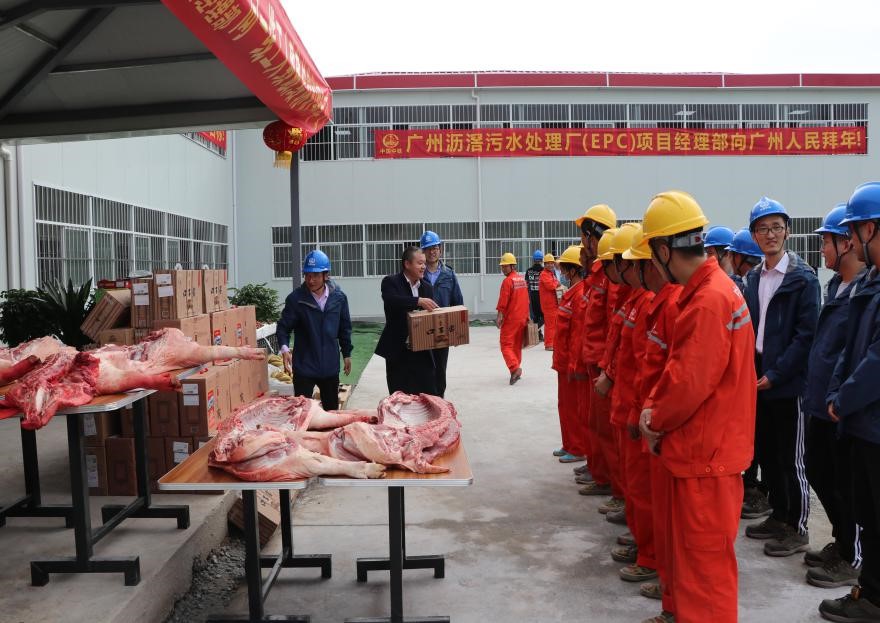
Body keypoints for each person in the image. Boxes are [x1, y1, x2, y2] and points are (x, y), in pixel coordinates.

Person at [638, 190, 756, 623]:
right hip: (705, 451)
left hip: (707, 456)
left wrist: (654, 418)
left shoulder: (707, 300)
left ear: (664, 250)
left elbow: (688, 382)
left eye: (652, 255)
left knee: (705, 580)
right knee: (694, 569)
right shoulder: (709, 290)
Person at [742, 197, 820, 558]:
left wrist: (776, 373)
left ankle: (797, 527)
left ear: (787, 231)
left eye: (776, 227)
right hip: (759, 377)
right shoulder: (753, 277)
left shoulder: (803, 278)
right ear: (754, 236)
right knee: (769, 453)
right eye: (763, 228)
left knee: (792, 458)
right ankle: (779, 514)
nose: (770, 234)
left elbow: (806, 336)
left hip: (788, 383)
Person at [819, 182, 880, 623]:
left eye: (853, 232)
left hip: (873, 423)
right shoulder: (869, 282)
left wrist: (845, 397)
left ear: (870, 229)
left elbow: (877, 361)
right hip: (860, 421)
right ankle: (871, 593)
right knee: (868, 515)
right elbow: (848, 350)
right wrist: (837, 391)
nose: (850, 243)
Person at [803, 204, 866, 590]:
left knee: (846, 483)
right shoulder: (834, 286)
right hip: (819, 400)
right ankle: (842, 541)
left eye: (826, 241)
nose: (822, 249)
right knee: (819, 472)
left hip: (842, 406)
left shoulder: (864, 288)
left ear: (846, 243)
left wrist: (841, 397)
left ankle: (852, 555)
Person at [630, 229, 683, 622]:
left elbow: (681, 381)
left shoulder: (688, 303)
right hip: (653, 418)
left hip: (678, 436)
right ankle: (668, 591)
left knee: (687, 538)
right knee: (648, 500)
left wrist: (653, 418)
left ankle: (670, 591)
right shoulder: (658, 301)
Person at [277, 249, 353, 411]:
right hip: (305, 367)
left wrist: (347, 354)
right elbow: (283, 327)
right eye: (307, 275)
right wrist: (284, 349)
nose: (311, 280)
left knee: (331, 413)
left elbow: (344, 327)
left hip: (330, 366)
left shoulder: (339, 298)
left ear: (326, 275)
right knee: (302, 413)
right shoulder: (296, 299)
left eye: (316, 275)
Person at [578, 227, 620, 501]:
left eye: (585, 237)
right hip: (595, 360)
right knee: (596, 425)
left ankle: (613, 485)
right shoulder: (597, 273)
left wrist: (609, 368)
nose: (583, 243)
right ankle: (600, 472)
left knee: (608, 431)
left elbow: (613, 326)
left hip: (604, 365)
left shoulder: (609, 276)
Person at [375, 246, 439, 396]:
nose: (423, 267)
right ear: (407, 264)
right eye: (419, 263)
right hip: (398, 350)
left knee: (427, 394)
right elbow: (392, 300)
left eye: (424, 263)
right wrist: (418, 301)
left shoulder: (427, 288)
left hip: (422, 351)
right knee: (400, 396)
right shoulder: (391, 282)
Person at [552, 245, 589, 464]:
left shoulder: (580, 295)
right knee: (564, 406)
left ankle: (577, 447)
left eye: (565, 269)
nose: (563, 273)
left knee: (573, 409)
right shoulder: (571, 294)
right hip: (563, 362)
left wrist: (575, 363)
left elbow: (578, 335)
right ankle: (569, 444)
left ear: (574, 270)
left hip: (571, 365)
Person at [419, 230, 464, 398]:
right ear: (423, 251)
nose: (432, 251)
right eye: (428, 248)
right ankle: (426, 402)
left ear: (440, 249)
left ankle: (439, 402)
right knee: (423, 370)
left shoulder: (448, 274)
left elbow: (457, 302)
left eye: (435, 248)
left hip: (441, 330)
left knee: (440, 369)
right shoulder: (418, 273)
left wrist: (458, 333)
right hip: (422, 330)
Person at [496, 252, 530, 385]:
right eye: (502, 266)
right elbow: (526, 300)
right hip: (522, 318)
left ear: (513, 266)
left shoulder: (508, 281)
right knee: (516, 345)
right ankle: (515, 369)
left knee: (505, 344)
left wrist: (499, 316)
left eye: (506, 266)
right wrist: (527, 316)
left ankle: (515, 368)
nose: (503, 269)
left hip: (511, 319)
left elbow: (503, 301)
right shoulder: (521, 280)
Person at [726, 228, 765, 295]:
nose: (730, 258)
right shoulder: (765, 282)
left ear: (738, 257)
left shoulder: (734, 288)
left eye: (731, 254)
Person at [539, 253, 562, 350]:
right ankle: (549, 344)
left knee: (553, 324)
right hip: (548, 304)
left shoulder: (550, 274)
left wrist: (556, 283)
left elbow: (556, 283)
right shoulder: (544, 274)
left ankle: (552, 342)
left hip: (552, 303)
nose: (550, 265)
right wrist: (556, 283)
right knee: (550, 325)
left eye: (551, 263)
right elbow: (551, 286)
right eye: (548, 263)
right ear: (544, 264)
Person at [525, 249, 545, 340]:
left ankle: (539, 335)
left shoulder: (529, 271)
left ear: (533, 259)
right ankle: (536, 331)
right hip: (541, 296)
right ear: (542, 260)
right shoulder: (544, 271)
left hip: (532, 296)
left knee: (535, 316)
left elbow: (527, 284)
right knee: (544, 316)